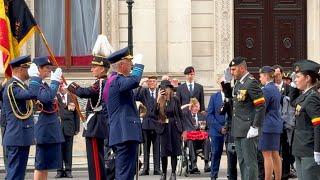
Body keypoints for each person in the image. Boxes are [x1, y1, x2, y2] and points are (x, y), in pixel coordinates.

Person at [67, 55, 110, 180]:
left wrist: (71, 85)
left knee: (95, 159)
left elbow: (84, 93)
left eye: (94, 67)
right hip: (95, 123)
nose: (92, 69)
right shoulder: (101, 82)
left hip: (96, 125)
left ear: (102, 69)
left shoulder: (101, 82)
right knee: (95, 158)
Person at [105, 47, 144, 180]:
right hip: (124, 133)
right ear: (121, 65)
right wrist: (139, 67)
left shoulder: (114, 80)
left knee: (126, 172)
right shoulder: (117, 80)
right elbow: (135, 81)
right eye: (129, 62)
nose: (131, 65)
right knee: (124, 174)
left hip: (123, 133)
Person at [2, 55, 41, 180]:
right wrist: (35, 78)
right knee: (14, 174)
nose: (29, 71)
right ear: (19, 70)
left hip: (21, 135)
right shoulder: (12, 86)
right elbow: (32, 93)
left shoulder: (19, 85)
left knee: (19, 174)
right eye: (27, 68)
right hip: (17, 135)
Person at [229, 57, 266, 180]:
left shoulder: (251, 82)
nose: (231, 72)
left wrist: (255, 126)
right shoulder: (238, 84)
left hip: (248, 129)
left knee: (250, 163)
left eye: (233, 69)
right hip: (239, 128)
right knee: (243, 162)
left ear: (242, 68)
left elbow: (260, 106)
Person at [32, 56, 64, 180]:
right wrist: (55, 82)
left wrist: (56, 86)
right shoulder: (36, 84)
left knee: (45, 165)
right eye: (46, 68)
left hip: (49, 129)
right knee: (40, 164)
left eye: (50, 68)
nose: (49, 71)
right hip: (44, 129)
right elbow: (46, 99)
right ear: (38, 69)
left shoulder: (44, 84)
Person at [291, 59, 320, 179]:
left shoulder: (313, 98)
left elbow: (318, 126)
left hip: (309, 150)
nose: (295, 80)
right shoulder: (305, 95)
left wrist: (317, 150)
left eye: (298, 77)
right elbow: (294, 103)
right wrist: (294, 87)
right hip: (300, 148)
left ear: (307, 78)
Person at [273, 65, 299, 179]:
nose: (276, 77)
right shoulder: (269, 88)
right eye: (274, 75)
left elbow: (293, 102)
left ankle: (285, 172)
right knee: (274, 149)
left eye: (278, 74)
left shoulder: (289, 88)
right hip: (274, 124)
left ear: (282, 74)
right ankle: (274, 172)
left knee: (286, 149)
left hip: (286, 125)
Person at [258, 66, 283, 180]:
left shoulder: (266, 89)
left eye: (261, 76)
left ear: (266, 76)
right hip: (275, 124)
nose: (260, 79)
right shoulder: (275, 88)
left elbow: (262, 107)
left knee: (267, 155)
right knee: (275, 154)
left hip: (267, 124)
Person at [156, 80, 183, 180]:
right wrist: (158, 100)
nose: (165, 90)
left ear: (170, 89)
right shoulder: (159, 99)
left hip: (174, 127)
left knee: (174, 152)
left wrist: (182, 130)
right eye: (163, 88)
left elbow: (180, 114)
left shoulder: (175, 99)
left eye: (167, 88)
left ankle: (173, 173)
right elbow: (155, 113)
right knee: (164, 152)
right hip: (163, 127)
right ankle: (163, 173)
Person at [135, 76, 161, 175]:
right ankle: (145, 168)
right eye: (150, 81)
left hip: (157, 123)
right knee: (146, 147)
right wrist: (141, 84)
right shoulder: (144, 92)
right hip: (146, 124)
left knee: (157, 148)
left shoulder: (159, 92)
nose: (151, 83)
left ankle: (157, 168)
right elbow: (136, 96)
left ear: (156, 83)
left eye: (153, 81)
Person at [55, 84, 80, 178]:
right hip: (58, 127)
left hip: (69, 127)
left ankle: (68, 170)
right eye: (59, 86)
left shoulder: (72, 97)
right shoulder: (55, 97)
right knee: (58, 149)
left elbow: (76, 113)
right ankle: (59, 170)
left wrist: (77, 128)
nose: (61, 88)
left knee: (68, 150)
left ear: (66, 87)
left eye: (62, 86)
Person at [207, 77, 227, 180]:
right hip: (216, 130)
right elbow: (209, 115)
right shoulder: (214, 97)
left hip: (229, 130)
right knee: (216, 153)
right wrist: (220, 128)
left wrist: (227, 127)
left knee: (232, 154)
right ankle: (213, 175)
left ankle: (231, 175)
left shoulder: (232, 96)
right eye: (222, 83)